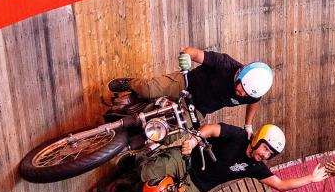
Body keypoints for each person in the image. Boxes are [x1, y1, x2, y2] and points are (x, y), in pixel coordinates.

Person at [140, 122, 327, 192]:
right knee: (149, 173)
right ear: (258, 140)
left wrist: (310, 179)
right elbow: (211, 129)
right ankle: (136, 160)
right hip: (186, 160)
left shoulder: (255, 167)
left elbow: (280, 185)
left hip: (195, 185)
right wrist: (193, 141)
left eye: (270, 154)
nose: (265, 155)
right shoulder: (238, 136)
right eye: (265, 148)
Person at [108, 46, 272, 131]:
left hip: (198, 109)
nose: (242, 94)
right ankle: (130, 83)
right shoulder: (224, 63)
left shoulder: (251, 92)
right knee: (148, 89)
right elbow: (192, 52)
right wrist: (186, 56)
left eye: (246, 94)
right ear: (240, 74)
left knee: (170, 133)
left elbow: (255, 101)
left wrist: (248, 125)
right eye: (242, 88)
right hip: (187, 84)